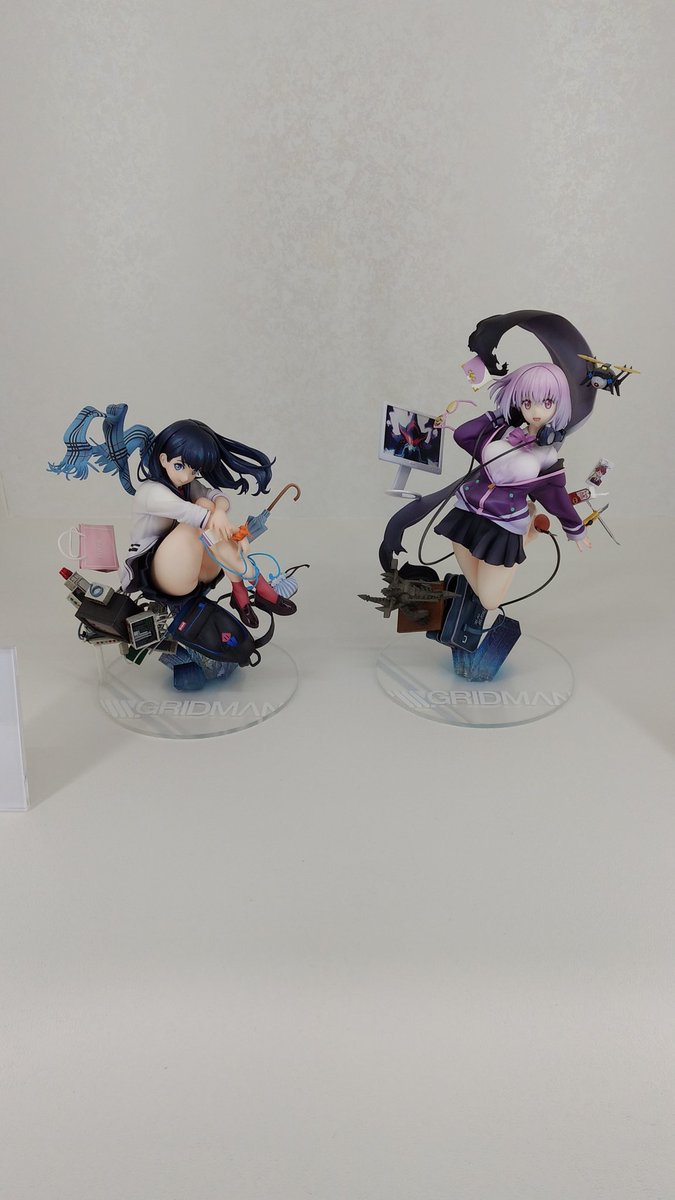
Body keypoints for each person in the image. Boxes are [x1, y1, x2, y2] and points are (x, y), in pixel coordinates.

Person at [49, 406, 295, 628]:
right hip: (161, 575)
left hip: (199, 569)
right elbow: (193, 515)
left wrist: (220, 513)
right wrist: (227, 528)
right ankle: (255, 582)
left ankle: (239, 589)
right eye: (180, 466)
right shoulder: (150, 493)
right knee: (198, 517)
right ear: (163, 459)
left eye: (194, 470)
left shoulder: (187, 484)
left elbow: (217, 496)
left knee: (207, 503)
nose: (187, 476)